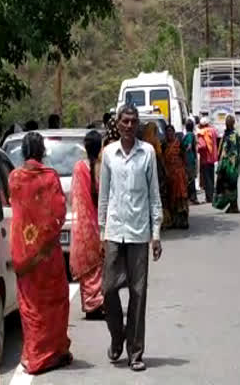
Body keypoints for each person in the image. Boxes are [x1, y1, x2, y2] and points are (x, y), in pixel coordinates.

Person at [98, 105, 162, 373]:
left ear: (137, 125)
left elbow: (154, 194)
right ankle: (117, 335)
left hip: (138, 233)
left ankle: (135, 351)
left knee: (138, 293)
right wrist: (101, 231)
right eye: (125, 121)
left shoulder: (147, 153)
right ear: (118, 124)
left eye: (133, 121)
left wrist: (156, 233)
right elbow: (104, 195)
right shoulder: (109, 154)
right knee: (108, 290)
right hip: (114, 231)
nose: (129, 125)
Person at [8, 132, 72, 375]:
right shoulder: (49, 177)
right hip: (47, 254)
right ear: (42, 151)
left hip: (24, 254)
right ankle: (53, 353)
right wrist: (46, 236)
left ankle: (34, 355)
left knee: (30, 304)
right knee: (54, 303)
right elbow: (59, 212)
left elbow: (17, 208)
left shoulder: (14, 178)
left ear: (24, 152)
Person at [70, 130, 105, 319]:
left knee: (87, 265)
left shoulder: (78, 167)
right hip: (99, 222)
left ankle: (89, 304)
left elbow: (76, 198)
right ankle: (98, 302)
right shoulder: (102, 167)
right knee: (99, 265)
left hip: (84, 223)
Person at [140, 123, 168, 230]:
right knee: (158, 194)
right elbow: (160, 156)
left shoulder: (142, 143)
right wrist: (165, 170)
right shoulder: (155, 142)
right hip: (157, 168)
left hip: (145, 169)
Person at [213, 115, 240, 213]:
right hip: (228, 164)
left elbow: (234, 151)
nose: (228, 124)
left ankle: (234, 206)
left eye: (229, 123)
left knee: (230, 185)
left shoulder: (233, 135)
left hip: (230, 165)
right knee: (229, 185)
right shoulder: (228, 134)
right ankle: (233, 205)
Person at [163, 125, 190, 229]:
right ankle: (173, 221)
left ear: (174, 132)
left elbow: (184, 158)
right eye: (167, 132)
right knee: (171, 198)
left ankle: (183, 222)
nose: (169, 134)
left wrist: (186, 172)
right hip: (169, 176)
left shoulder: (179, 144)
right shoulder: (164, 145)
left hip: (179, 175)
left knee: (181, 197)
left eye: (171, 131)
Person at [197, 117, 218, 203]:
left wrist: (196, 147)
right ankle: (212, 196)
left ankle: (209, 197)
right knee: (211, 178)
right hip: (212, 158)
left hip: (205, 158)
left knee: (206, 179)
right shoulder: (212, 131)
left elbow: (202, 146)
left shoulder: (202, 132)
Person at [182, 119, 199, 204]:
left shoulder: (188, 135)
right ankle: (192, 197)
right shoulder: (191, 135)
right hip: (190, 160)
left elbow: (188, 146)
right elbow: (189, 146)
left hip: (188, 159)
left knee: (189, 179)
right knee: (190, 179)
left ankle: (191, 198)